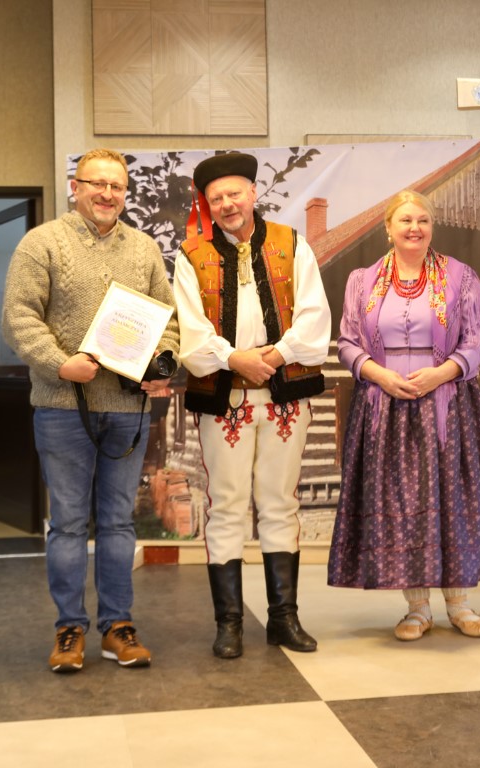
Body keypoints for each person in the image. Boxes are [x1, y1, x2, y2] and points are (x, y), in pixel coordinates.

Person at [2, 148, 180, 673]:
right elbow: (18, 317)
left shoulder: (144, 248)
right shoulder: (42, 243)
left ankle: (118, 626)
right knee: (68, 524)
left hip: (127, 408)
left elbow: (166, 320)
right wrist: (60, 364)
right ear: (74, 187)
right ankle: (69, 628)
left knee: (120, 523)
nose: (107, 194)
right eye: (97, 183)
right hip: (62, 407)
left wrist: (161, 363)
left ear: (125, 193)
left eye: (117, 186)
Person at [327, 190, 480, 640]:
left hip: (445, 405)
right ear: (388, 228)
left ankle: (460, 604)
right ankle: (416, 608)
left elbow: (476, 342)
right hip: (385, 405)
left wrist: (440, 374)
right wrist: (380, 376)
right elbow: (348, 341)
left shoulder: (461, 277)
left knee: (451, 501)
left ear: (432, 227)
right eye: (405, 220)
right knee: (402, 505)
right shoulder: (362, 280)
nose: (415, 228)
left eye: (423, 220)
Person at [173, 152, 330, 658]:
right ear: (208, 204)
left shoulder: (292, 243)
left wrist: (277, 356)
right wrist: (234, 358)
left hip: (284, 399)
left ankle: (284, 619)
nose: (227, 204)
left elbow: (314, 317)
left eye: (234, 193)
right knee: (226, 507)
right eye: (216, 198)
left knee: (280, 503)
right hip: (226, 402)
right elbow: (192, 334)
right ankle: (230, 624)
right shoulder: (190, 255)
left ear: (253, 194)